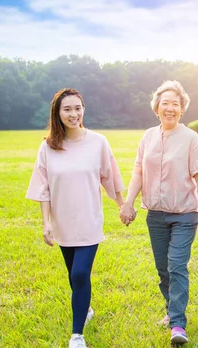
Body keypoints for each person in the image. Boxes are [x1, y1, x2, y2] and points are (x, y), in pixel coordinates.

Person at [26, 88, 125, 348]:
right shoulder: (48, 146)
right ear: (57, 113)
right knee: (74, 276)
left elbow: (109, 177)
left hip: (89, 220)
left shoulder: (98, 142)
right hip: (62, 223)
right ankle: (86, 307)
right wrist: (46, 223)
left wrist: (122, 206)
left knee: (81, 274)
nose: (73, 114)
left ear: (83, 109)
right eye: (67, 109)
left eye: (77, 108)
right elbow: (42, 187)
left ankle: (77, 335)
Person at [119, 80, 198, 345]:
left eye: (175, 104)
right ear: (156, 108)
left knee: (177, 266)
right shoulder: (148, 136)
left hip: (184, 213)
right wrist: (129, 202)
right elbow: (138, 169)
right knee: (163, 269)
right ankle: (171, 311)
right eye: (165, 103)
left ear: (182, 109)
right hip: (156, 214)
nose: (170, 108)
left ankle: (178, 325)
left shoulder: (191, 138)